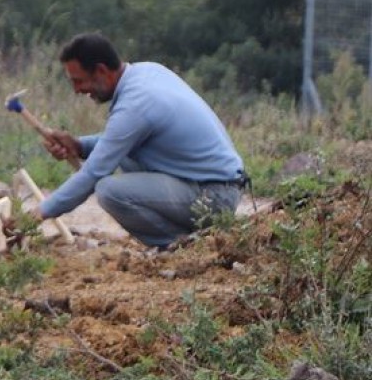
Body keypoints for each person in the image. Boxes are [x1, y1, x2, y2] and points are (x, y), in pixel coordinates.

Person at [33, 33, 246, 249]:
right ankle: (191, 241)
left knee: (109, 190)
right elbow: (119, 142)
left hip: (213, 197)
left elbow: (92, 174)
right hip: (219, 188)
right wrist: (79, 146)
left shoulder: (136, 103)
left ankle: (184, 247)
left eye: (79, 81)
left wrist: (37, 215)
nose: (77, 90)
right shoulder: (146, 73)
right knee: (125, 158)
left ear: (101, 71)